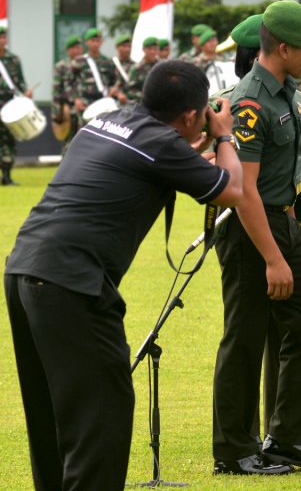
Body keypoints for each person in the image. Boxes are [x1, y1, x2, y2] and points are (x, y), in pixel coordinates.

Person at [4, 60, 244, 490]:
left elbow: (145, 161)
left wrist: (195, 146)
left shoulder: (109, 120)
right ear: (191, 115)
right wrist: (224, 134)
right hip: (71, 283)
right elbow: (233, 190)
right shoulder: (164, 144)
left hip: (25, 268)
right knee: (102, 414)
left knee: (52, 413)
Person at [212, 0, 301, 475]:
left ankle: (286, 438)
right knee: (244, 339)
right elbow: (242, 191)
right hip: (253, 231)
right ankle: (233, 450)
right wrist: (272, 258)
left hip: (285, 222)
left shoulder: (288, 91)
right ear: (283, 47)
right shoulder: (250, 102)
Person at [0, 26, 32, 186]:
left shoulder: (14, 60)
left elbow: (20, 82)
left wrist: (26, 92)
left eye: (3, 37)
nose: (2, 40)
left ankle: (6, 176)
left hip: (10, 106)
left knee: (9, 141)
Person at [69, 28, 117, 124]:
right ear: (87, 42)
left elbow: (114, 81)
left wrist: (113, 90)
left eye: (98, 41)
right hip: (85, 102)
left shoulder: (108, 62)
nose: (95, 44)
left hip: (104, 101)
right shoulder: (79, 61)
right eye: (93, 41)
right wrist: (76, 99)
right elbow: (69, 81)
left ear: (101, 42)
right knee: (85, 132)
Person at [51, 34, 84, 150]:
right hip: (67, 109)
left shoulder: (85, 63)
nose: (78, 50)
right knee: (69, 141)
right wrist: (57, 112)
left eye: (79, 47)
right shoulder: (61, 66)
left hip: (84, 105)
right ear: (68, 50)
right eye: (74, 48)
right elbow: (57, 90)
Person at [125, 36, 161, 104]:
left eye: (155, 49)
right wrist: (145, 96)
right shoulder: (136, 68)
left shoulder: (162, 67)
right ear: (144, 49)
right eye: (150, 49)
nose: (152, 52)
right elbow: (130, 90)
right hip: (142, 104)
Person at [112, 34, 134, 104]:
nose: (127, 49)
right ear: (117, 47)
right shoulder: (111, 64)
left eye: (129, 46)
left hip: (131, 102)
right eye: (124, 46)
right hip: (115, 103)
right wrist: (117, 93)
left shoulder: (136, 66)